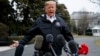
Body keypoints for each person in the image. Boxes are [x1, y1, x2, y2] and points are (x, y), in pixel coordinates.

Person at [10, 1, 78, 56]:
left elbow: (68, 35)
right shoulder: (40, 21)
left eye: (52, 7)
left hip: (57, 51)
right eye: (49, 7)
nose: (51, 9)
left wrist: (75, 45)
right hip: (43, 51)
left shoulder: (61, 21)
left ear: (55, 9)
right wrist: (21, 42)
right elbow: (30, 34)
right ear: (45, 9)